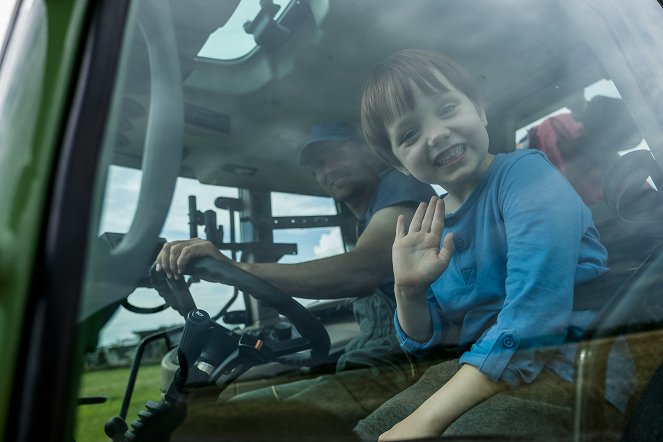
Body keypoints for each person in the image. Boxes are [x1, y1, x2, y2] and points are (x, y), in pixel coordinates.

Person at [353, 49, 634, 441]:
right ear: (400, 164)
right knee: (372, 431)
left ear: (481, 111)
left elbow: (536, 313)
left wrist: (427, 419)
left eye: (448, 108)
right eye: (410, 135)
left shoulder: (526, 175)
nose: (435, 133)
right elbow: (428, 344)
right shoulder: (430, 227)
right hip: (475, 370)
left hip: (573, 367)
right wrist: (409, 290)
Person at [155, 121, 437, 431]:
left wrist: (235, 269)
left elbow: (363, 270)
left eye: (334, 154)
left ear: (366, 150)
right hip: (365, 363)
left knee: (250, 429)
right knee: (229, 412)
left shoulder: (401, 186)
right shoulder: (363, 224)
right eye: (317, 165)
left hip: (404, 365)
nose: (327, 170)